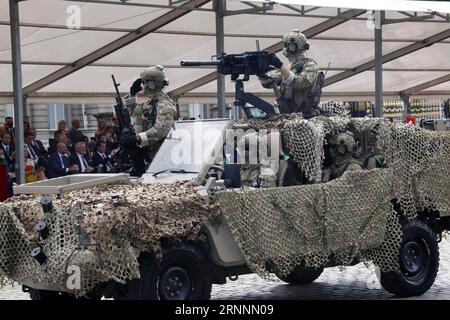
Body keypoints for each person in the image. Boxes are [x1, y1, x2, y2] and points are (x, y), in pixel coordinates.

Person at [119, 65, 177, 176]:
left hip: (163, 157)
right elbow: (134, 112)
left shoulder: (164, 104)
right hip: (152, 155)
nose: (143, 86)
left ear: (152, 83)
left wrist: (136, 138)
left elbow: (160, 131)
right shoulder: (151, 103)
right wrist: (132, 94)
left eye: (145, 82)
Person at [259, 29, 323, 118]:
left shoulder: (310, 66)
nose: (285, 48)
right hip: (288, 115)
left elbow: (300, 82)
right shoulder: (290, 67)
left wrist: (280, 66)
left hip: (306, 116)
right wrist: (260, 72)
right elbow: (269, 82)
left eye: (287, 45)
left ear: (294, 46)